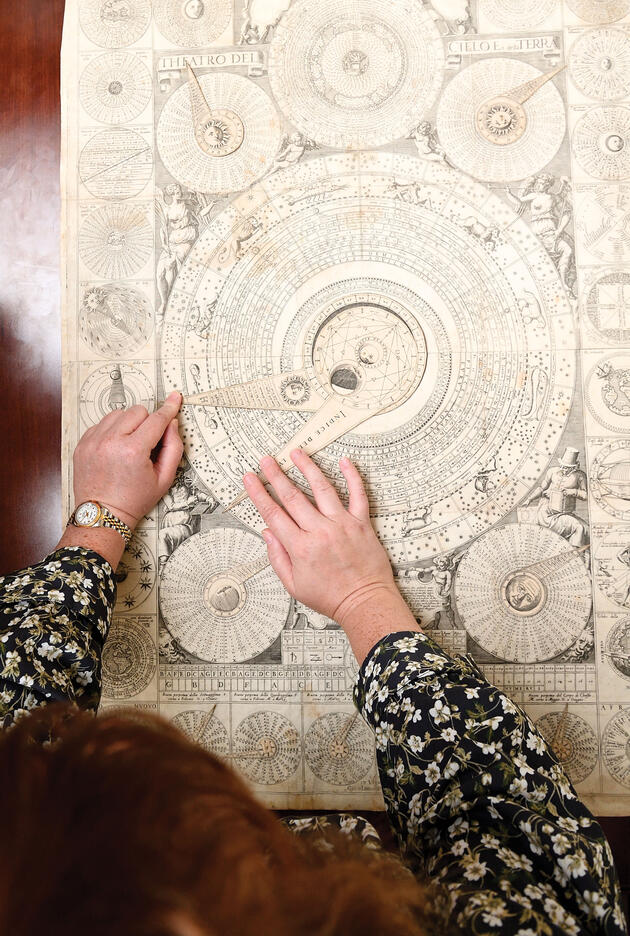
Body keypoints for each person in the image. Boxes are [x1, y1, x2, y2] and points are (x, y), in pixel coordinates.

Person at [0, 395, 626, 936]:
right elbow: (505, 813)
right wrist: (363, 599)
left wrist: (100, 520)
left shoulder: (29, 848)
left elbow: (20, 705)